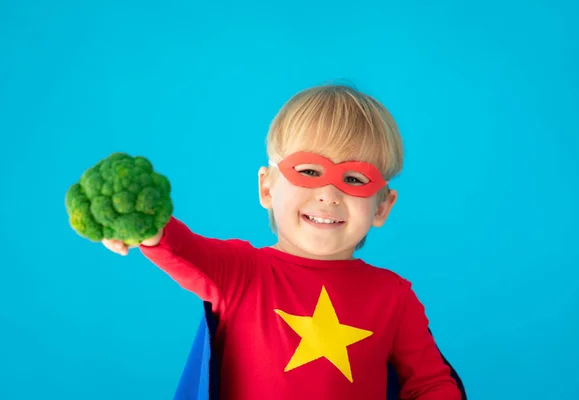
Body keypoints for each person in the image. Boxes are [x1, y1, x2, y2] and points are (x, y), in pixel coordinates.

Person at [103, 84, 467, 399]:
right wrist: (143, 225)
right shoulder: (239, 271)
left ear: (382, 206)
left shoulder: (394, 296)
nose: (329, 193)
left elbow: (431, 384)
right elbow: (181, 249)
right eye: (309, 171)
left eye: (355, 179)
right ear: (266, 186)